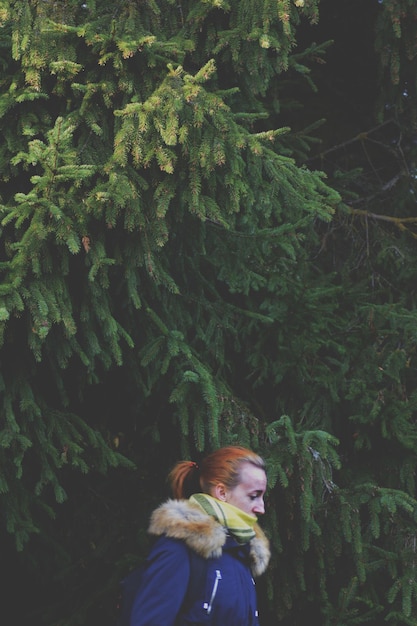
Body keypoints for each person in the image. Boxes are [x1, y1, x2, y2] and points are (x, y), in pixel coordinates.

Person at [130, 445, 271, 625]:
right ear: (222, 493)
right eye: (253, 496)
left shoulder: (240, 553)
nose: (261, 508)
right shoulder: (179, 549)